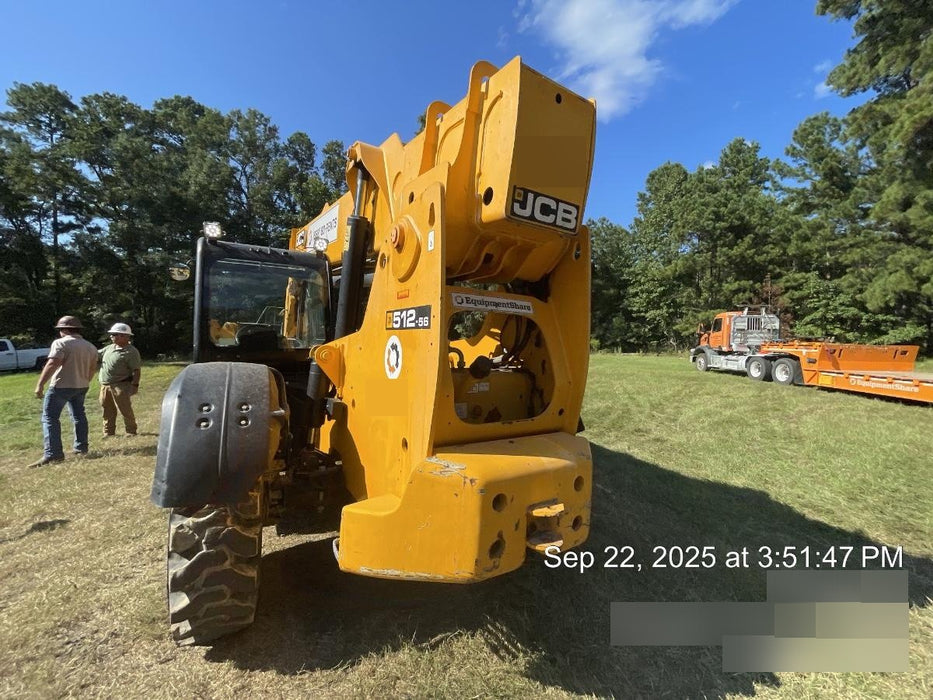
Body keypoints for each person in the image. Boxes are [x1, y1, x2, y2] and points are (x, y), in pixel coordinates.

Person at [30, 316, 99, 467]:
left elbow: (52, 364)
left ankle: (53, 454)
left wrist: (40, 384)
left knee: (50, 418)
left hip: (61, 386)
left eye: (60, 330)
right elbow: (92, 368)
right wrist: (85, 380)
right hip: (81, 385)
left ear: (65, 330)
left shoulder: (60, 343)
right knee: (79, 416)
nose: (60, 332)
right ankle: (81, 448)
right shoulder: (90, 346)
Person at [98, 322, 142, 437]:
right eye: (112, 334)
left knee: (125, 409)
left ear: (124, 336)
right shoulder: (109, 348)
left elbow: (136, 370)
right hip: (105, 385)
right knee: (107, 409)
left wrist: (134, 385)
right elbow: (96, 355)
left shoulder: (131, 352)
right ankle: (108, 432)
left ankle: (131, 431)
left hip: (120, 385)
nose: (112, 337)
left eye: (115, 334)